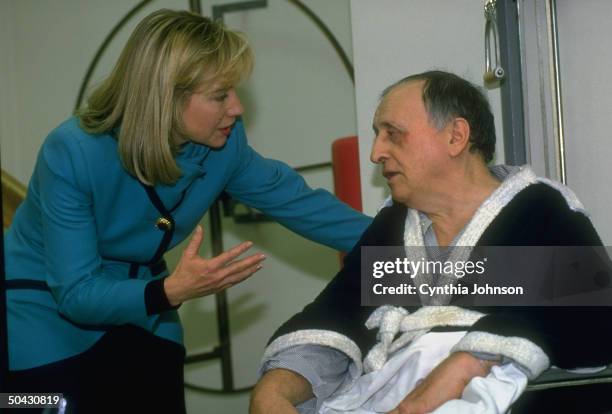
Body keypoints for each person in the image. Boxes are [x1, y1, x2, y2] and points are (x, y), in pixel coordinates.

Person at [4, 9, 371, 413]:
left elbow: (296, 200)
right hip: (43, 313)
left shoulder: (223, 144)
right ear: (167, 98)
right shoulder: (71, 152)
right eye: (220, 96)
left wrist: (408, 245)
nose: (237, 108)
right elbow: (75, 294)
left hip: (147, 306)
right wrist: (170, 291)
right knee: (46, 405)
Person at [251, 71, 612, 413]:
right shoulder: (393, 227)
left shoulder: (539, 212)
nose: (375, 153)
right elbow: (337, 316)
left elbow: (594, 325)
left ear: (456, 136)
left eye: (393, 134)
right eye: (378, 135)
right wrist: (275, 389)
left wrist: (469, 360)